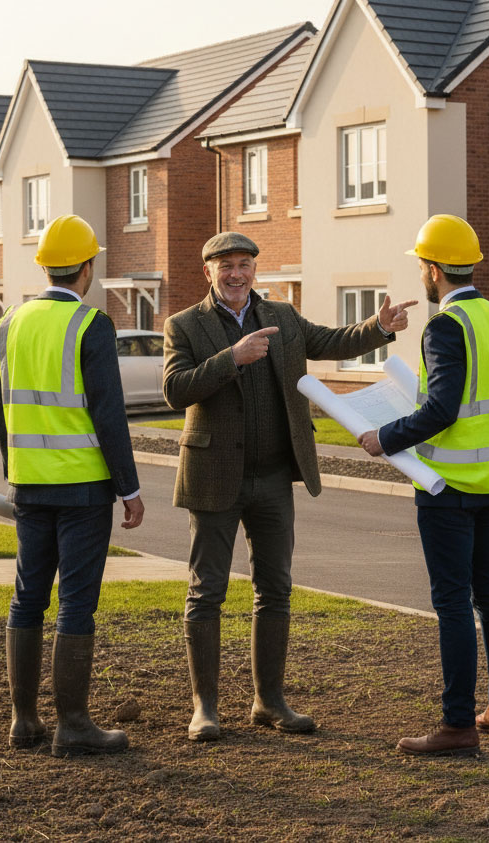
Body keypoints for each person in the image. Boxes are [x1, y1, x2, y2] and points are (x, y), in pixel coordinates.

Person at [163, 232, 417, 741]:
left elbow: (330, 341)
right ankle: (205, 708)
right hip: (213, 476)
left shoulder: (281, 316)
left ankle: (269, 700)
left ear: (255, 270)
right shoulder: (185, 325)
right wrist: (230, 358)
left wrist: (379, 327)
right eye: (226, 266)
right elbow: (174, 389)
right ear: (207, 272)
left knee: (275, 590)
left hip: (275, 476)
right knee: (206, 591)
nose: (236, 274)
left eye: (245, 265)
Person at [357, 214, 489, 756]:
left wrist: (386, 437)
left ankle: (457, 727)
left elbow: (444, 409)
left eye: (422, 269)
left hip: (449, 484)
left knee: (453, 603)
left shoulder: (446, 326)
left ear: (433, 270)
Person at [0, 214, 145, 758]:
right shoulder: (92, 324)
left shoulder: (7, 323)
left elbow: (0, 410)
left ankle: (24, 721)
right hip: (82, 489)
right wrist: (129, 489)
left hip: (29, 487)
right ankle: (74, 725)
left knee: (27, 598)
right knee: (76, 603)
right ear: (87, 267)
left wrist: (17, 471)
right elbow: (109, 415)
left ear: (44, 267)